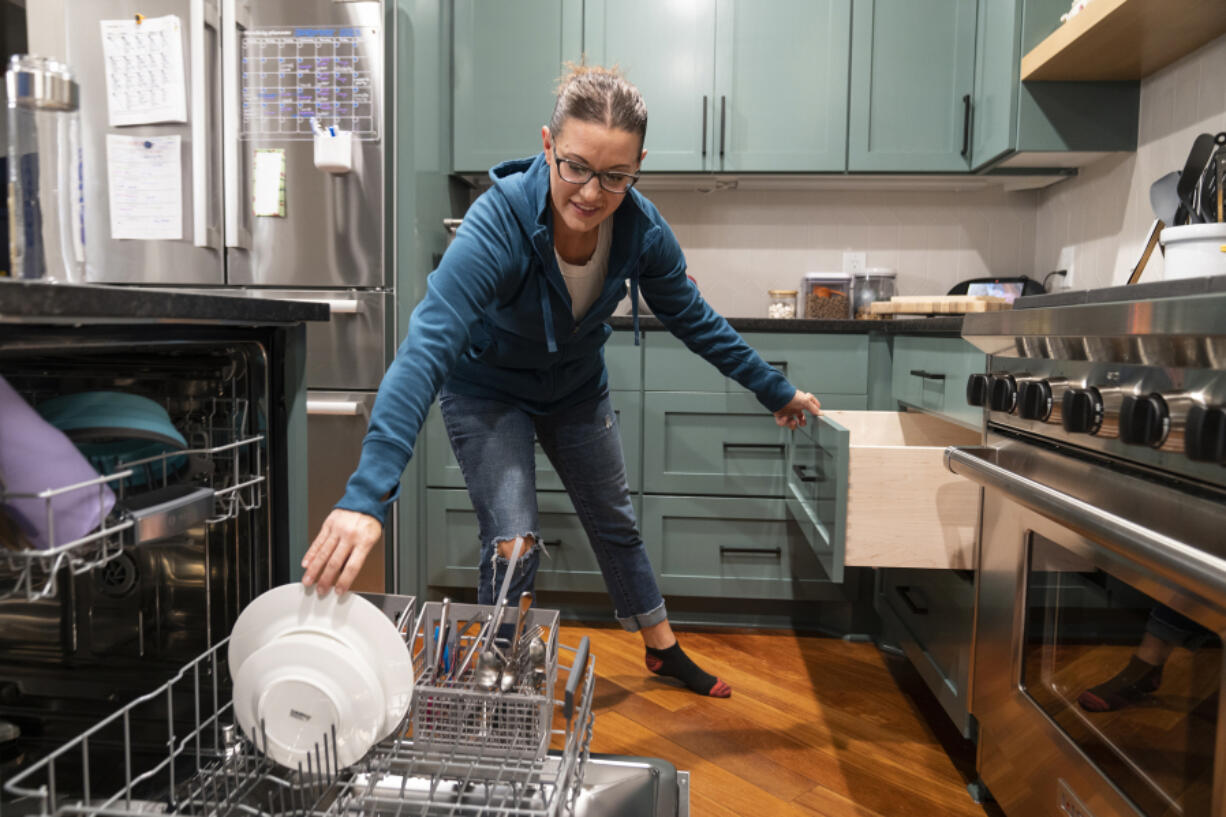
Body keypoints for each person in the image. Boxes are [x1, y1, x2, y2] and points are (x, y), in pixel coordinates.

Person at [300, 64, 823, 698]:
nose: (591, 193)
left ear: (637, 167)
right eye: (575, 166)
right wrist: (365, 495)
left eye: (615, 176)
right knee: (515, 541)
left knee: (615, 522)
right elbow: (426, 348)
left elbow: (695, 320)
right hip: (487, 389)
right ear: (548, 145)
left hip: (575, 390)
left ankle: (663, 651)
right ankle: (498, 670)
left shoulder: (641, 230)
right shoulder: (497, 225)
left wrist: (776, 390)